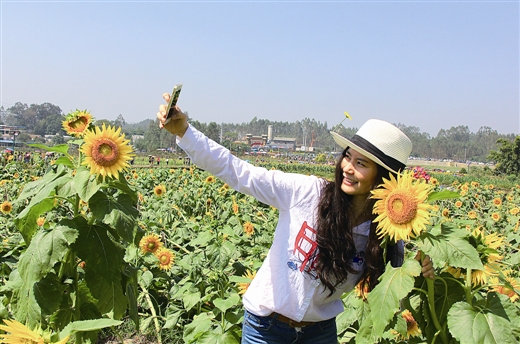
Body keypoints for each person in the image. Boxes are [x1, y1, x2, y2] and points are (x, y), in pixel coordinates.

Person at [156, 94, 434, 344]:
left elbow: (398, 285)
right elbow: (239, 172)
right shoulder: (307, 192)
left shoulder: (384, 232)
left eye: (361, 164)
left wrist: (423, 268)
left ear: (382, 178)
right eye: (348, 157)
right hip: (267, 329)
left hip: (320, 333)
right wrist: (185, 133)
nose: (348, 168)